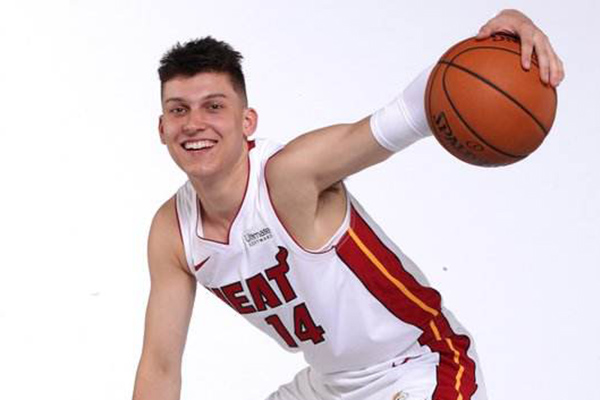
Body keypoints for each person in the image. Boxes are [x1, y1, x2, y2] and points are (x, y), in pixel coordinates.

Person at [132, 9, 564, 400]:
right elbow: (160, 367)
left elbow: (411, 111)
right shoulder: (173, 232)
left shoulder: (290, 175)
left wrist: (503, 38)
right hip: (329, 385)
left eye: (213, 106)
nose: (194, 124)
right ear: (162, 128)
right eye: (178, 110)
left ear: (247, 122)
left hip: (418, 364)